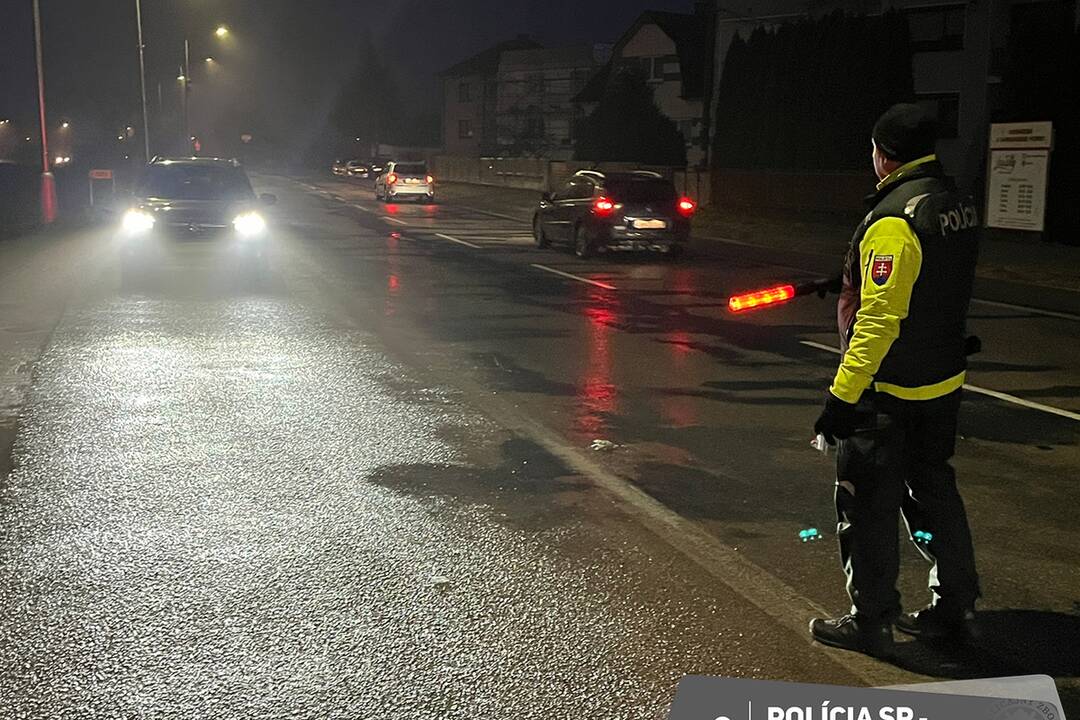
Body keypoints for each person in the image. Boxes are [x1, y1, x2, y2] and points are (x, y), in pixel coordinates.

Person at [810, 103, 982, 658]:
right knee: (934, 493)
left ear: (883, 154)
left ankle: (871, 620)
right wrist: (848, 275)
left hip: (889, 393)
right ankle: (954, 605)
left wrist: (842, 396)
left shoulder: (893, 218)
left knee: (866, 507)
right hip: (941, 381)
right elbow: (931, 277)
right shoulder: (951, 201)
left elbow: (880, 320)